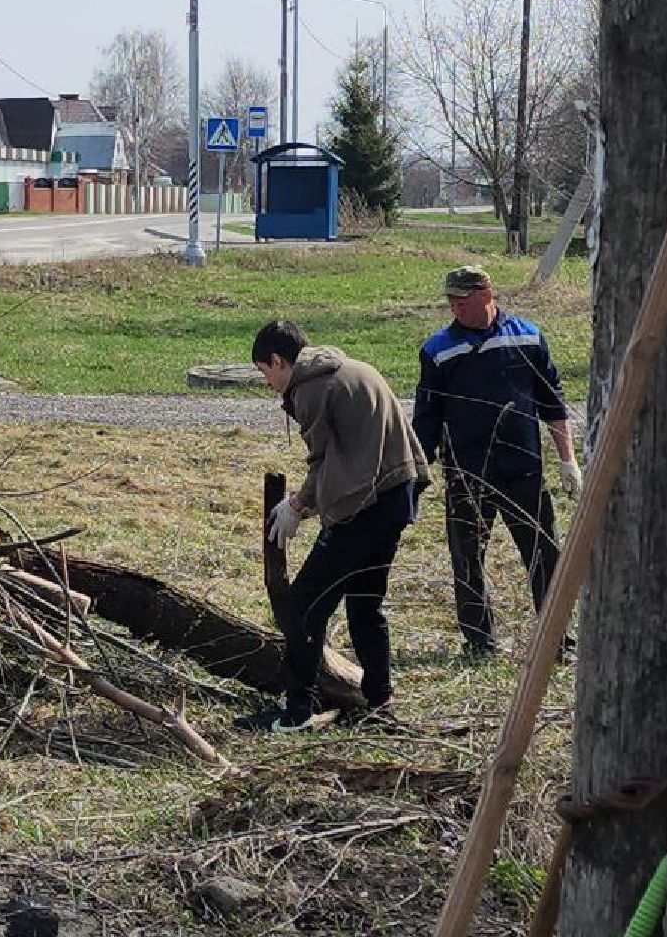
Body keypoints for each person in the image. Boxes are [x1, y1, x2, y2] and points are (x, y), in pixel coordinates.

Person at [245, 320, 431, 732]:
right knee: (366, 604)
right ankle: (380, 704)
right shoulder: (348, 368)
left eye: (264, 371)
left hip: (365, 506)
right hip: (398, 495)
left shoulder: (311, 389)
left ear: (279, 360)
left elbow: (324, 463)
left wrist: (296, 505)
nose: (267, 381)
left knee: (305, 604)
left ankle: (297, 711)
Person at [412, 265, 581, 658]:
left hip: (522, 466)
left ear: (487, 295)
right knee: (467, 558)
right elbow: (426, 417)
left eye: (462, 301)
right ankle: (480, 641)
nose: (454, 309)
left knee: (544, 554)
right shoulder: (438, 350)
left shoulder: (527, 336)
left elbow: (551, 401)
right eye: (450, 302)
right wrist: (419, 471)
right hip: (467, 474)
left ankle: (557, 639)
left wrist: (567, 460)